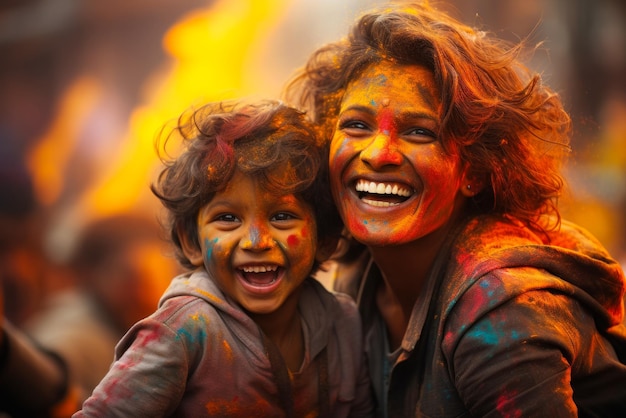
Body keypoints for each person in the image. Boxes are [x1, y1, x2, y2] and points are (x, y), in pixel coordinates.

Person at [283, 1, 626, 417]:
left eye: (419, 132)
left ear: (475, 171)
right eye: (356, 124)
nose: (378, 153)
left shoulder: (500, 319)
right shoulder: (355, 278)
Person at [74, 99, 374, 417]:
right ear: (192, 241)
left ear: (324, 240)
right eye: (228, 218)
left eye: (283, 216)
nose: (256, 242)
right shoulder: (184, 331)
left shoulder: (343, 325)